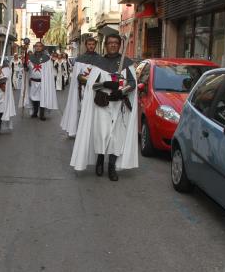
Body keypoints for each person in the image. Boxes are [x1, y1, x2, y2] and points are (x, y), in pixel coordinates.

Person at [69, 33, 138, 181]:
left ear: (119, 45)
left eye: (116, 43)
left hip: (119, 106)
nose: (113, 45)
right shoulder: (98, 63)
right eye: (110, 42)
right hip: (102, 104)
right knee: (101, 135)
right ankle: (100, 160)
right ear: (105, 45)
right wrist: (105, 84)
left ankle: (111, 166)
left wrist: (121, 91)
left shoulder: (126, 63)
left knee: (116, 138)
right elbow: (89, 83)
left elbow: (133, 83)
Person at [60, 37, 102, 137]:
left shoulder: (100, 59)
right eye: (89, 44)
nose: (91, 46)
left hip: (95, 89)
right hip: (82, 89)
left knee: (94, 110)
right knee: (82, 109)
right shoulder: (80, 59)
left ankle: (92, 132)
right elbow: (77, 76)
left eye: (93, 44)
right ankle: (81, 131)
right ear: (86, 45)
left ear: (95, 45)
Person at [18, 41, 58, 121]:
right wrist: (25, 66)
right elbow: (27, 69)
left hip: (43, 82)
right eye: (36, 46)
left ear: (42, 47)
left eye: (40, 46)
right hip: (33, 82)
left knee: (42, 98)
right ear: (34, 47)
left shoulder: (47, 58)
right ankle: (35, 112)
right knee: (33, 97)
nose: (38, 47)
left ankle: (42, 114)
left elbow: (49, 71)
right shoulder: (30, 58)